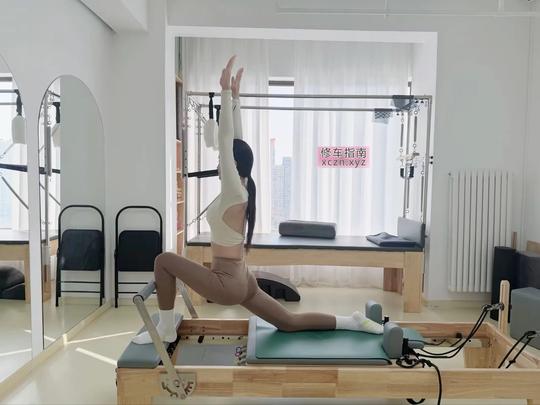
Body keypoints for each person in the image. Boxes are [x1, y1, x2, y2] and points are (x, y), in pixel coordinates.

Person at [133, 56, 383, 344]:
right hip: (243, 278)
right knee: (289, 322)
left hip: (226, 283)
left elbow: (227, 141)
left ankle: (165, 330)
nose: (219, 162)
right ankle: (351, 322)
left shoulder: (234, 191)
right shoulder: (242, 187)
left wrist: (224, 91)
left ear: (232, 164)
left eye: (223, 160)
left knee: (163, 260)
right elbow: (235, 142)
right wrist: (235, 98)